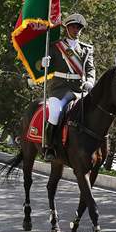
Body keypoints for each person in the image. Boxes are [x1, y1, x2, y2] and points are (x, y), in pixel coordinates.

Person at [41, 13, 95, 162]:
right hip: (59, 90)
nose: (76, 31)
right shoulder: (56, 46)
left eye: (78, 28)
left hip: (79, 91)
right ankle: (50, 147)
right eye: (73, 27)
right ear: (67, 29)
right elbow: (40, 65)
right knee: (54, 114)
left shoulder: (87, 49)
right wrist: (43, 63)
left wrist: (90, 81)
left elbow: (91, 69)